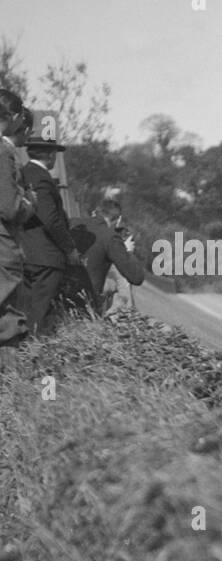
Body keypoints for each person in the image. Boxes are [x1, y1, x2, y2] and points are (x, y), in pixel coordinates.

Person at [17, 128, 81, 335]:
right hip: (46, 256)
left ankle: (23, 357)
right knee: (40, 313)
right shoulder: (42, 179)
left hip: (26, 253)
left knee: (27, 308)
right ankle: (36, 359)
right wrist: (69, 249)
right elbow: (50, 219)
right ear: (51, 154)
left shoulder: (23, 173)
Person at [0, 90, 35, 362]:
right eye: (21, 114)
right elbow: (10, 208)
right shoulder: (4, 152)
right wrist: (29, 204)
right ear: (12, 117)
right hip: (4, 246)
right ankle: (12, 396)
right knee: (10, 319)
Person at [69, 198, 145, 315]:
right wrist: (128, 251)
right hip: (84, 304)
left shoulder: (72, 222)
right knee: (121, 286)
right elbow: (136, 277)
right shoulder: (110, 237)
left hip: (59, 292)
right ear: (118, 220)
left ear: (96, 211)